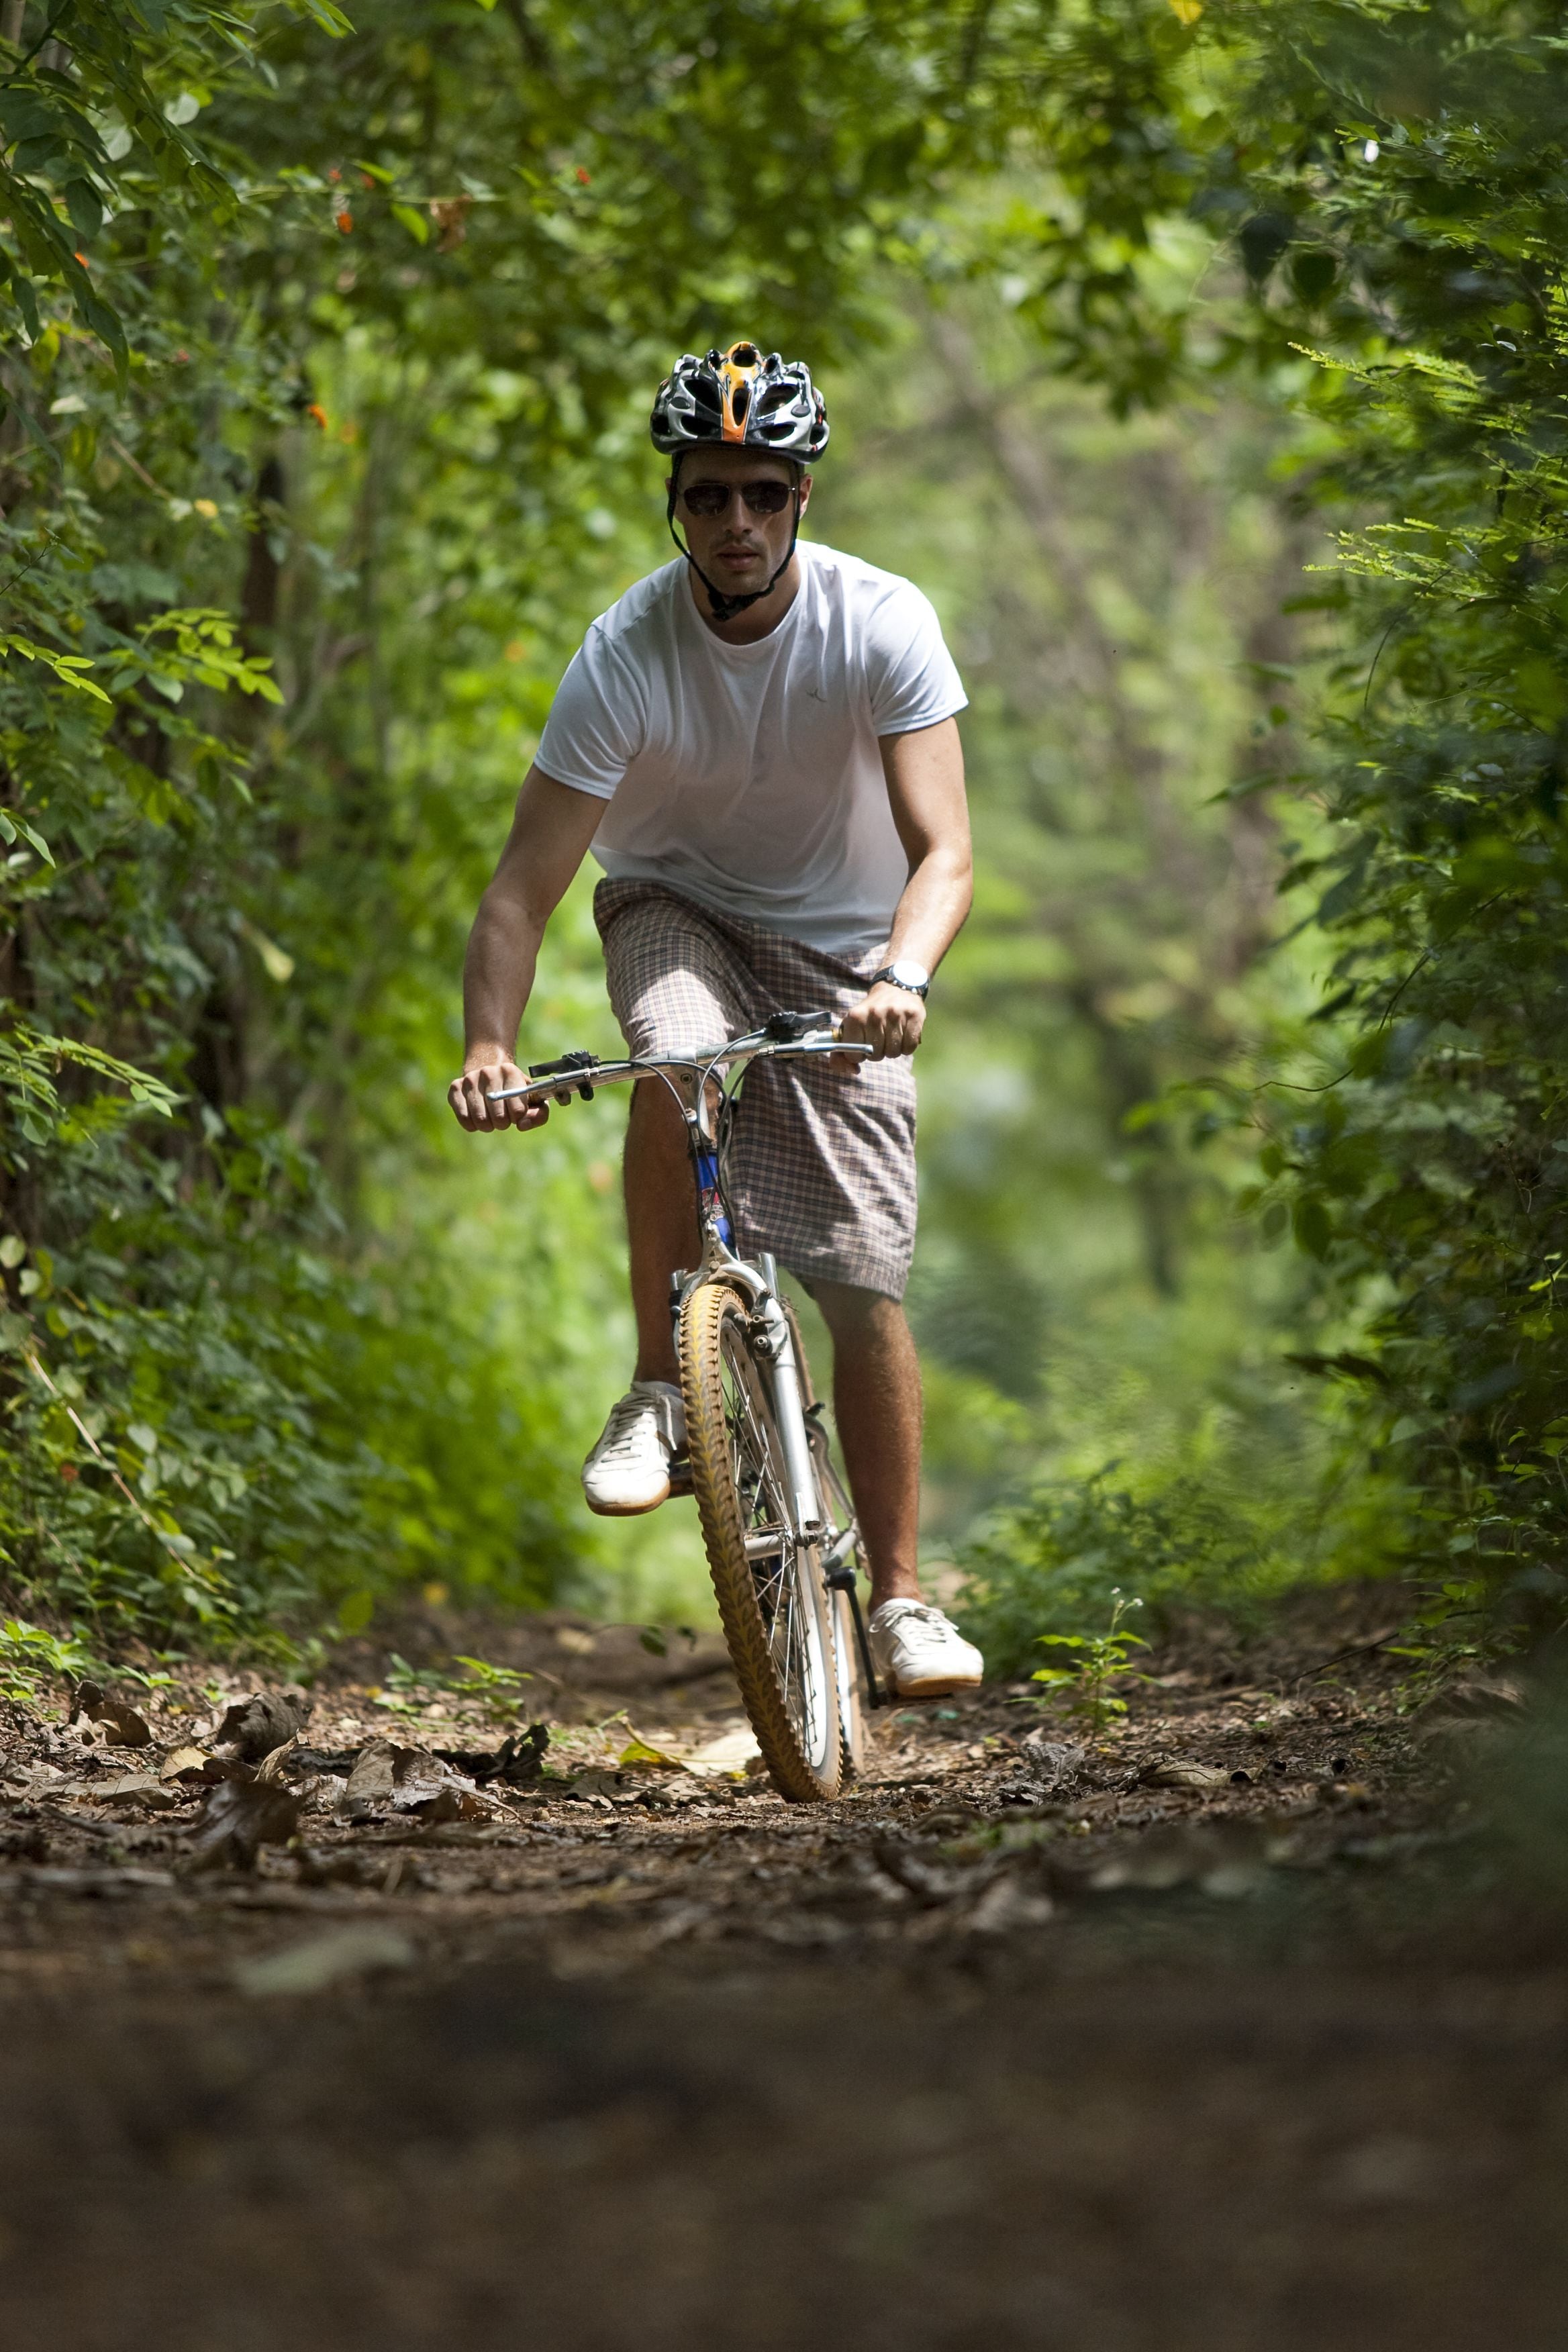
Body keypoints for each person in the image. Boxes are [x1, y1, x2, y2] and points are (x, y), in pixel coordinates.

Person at [449, 340, 983, 1700]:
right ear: (675, 505)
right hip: (673, 904)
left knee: (860, 1276)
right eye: (706, 496)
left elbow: (946, 853)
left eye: (761, 492)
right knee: (676, 1053)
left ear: (802, 498)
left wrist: (903, 979)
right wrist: (490, 1046)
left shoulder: (880, 622)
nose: (734, 520)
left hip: (847, 947)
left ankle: (902, 1600)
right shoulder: (624, 653)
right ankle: (656, 1388)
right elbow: (519, 891)